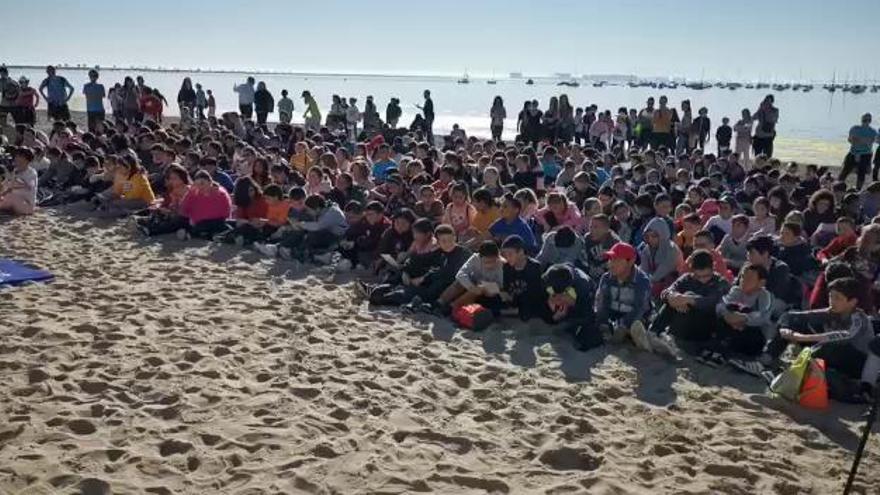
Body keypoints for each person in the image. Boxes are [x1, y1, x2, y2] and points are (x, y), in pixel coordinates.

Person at [752, 278, 878, 395]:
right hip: (832, 352)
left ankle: (786, 377)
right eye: (831, 296)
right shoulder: (833, 311)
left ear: (852, 302)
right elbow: (798, 315)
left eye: (838, 298)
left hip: (856, 362)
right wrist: (788, 325)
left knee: (826, 348)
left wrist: (800, 337)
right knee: (794, 320)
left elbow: (843, 336)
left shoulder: (859, 318)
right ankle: (766, 359)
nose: (832, 301)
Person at [650, 250, 730, 347]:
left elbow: (710, 302)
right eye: (698, 276)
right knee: (673, 299)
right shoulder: (687, 278)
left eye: (706, 276)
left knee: (688, 295)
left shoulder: (721, 283)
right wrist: (672, 297)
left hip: (704, 327)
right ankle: (653, 333)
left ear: (712, 268)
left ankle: (670, 339)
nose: (702, 280)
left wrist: (688, 299)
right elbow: (666, 292)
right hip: (683, 322)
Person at [706, 263, 773, 363]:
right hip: (733, 326)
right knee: (717, 321)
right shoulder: (736, 290)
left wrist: (743, 318)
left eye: (749, 279)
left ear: (761, 283)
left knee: (750, 336)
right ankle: (717, 351)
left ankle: (730, 354)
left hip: (753, 334)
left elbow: (763, 317)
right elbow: (721, 305)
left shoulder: (764, 296)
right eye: (742, 277)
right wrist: (727, 315)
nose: (743, 281)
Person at [595, 242, 654, 351]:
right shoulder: (606, 278)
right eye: (610, 259)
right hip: (614, 315)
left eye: (616, 260)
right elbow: (602, 302)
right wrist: (603, 322)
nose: (611, 264)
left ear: (630, 261)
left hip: (635, 317)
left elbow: (639, 308)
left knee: (637, 325)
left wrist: (623, 325)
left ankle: (643, 338)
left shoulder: (642, 281)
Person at [436, 240, 504, 314]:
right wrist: (471, 286)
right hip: (475, 285)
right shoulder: (475, 258)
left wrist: (481, 287)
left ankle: (452, 307)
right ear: (480, 257)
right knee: (459, 283)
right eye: (487, 262)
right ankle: (440, 302)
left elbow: (501, 285)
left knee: (480, 288)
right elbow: (461, 274)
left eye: (493, 261)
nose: (490, 265)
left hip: (493, 292)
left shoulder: (502, 264)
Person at [178, 170, 232, 240]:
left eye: (202, 183)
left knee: (215, 225)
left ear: (210, 182)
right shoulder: (193, 193)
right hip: (198, 223)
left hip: (217, 222)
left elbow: (226, 212)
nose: (200, 187)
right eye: (197, 185)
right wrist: (190, 193)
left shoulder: (220, 193)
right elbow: (183, 209)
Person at [840, 113, 877, 190]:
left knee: (861, 173)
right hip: (854, 152)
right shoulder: (855, 129)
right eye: (865, 120)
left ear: (869, 121)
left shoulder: (872, 131)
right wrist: (863, 141)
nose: (866, 122)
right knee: (845, 171)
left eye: (867, 120)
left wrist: (859, 140)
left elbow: (871, 142)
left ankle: (858, 190)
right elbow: (850, 140)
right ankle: (838, 186)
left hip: (865, 154)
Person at [0, 146, 38, 215]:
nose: (17, 159)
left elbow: (28, 186)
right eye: (16, 156)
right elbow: (9, 188)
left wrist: (13, 180)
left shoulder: (31, 172)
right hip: (15, 199)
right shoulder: (16, 170)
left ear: (27, 159)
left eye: (20, 157)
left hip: (26, 204)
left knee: (12, 198)